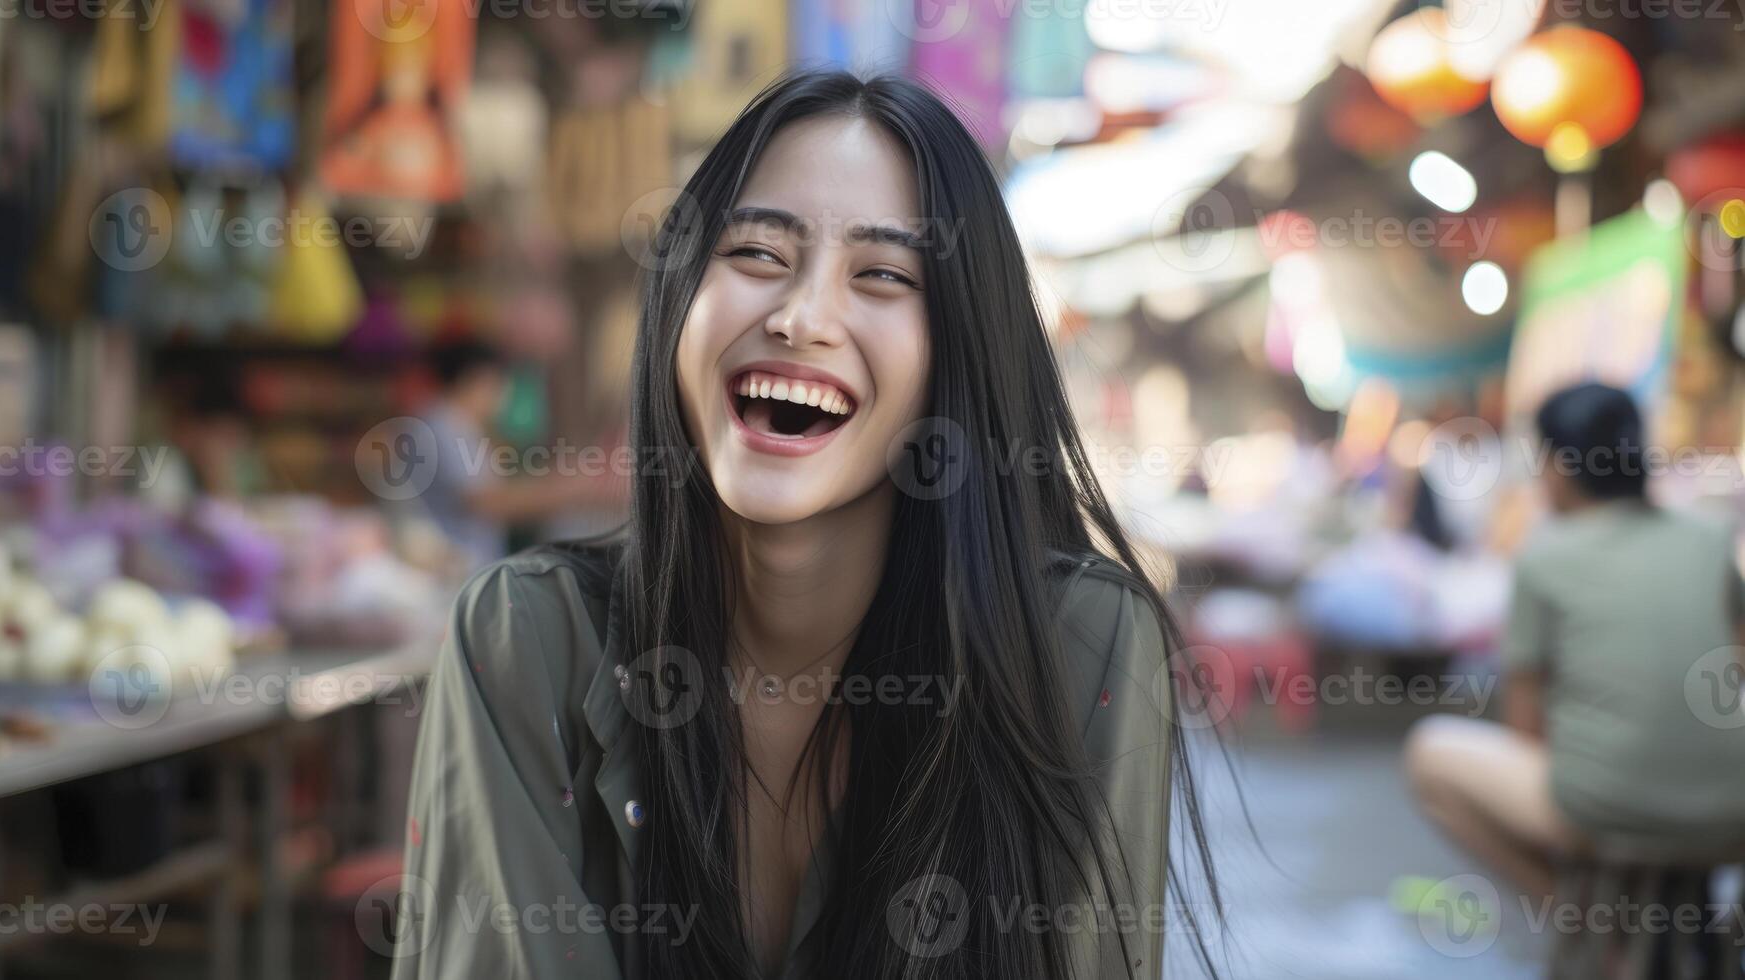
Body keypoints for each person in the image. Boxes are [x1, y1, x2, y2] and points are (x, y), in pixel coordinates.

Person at [391, 71, 1216, 980]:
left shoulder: (1078, 648)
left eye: (884, 275)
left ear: (960, 353)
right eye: (755, 255)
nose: (800, 317)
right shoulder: (528, 638)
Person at [1406, 381, 1745, 899]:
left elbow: (1526, 733)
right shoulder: (1712, 537)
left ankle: (1576, 912)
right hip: (1731, 812)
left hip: (1602, 815)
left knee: (1428, 754)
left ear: (1560, 467)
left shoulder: (1544, 557)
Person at [410, 338, 622, 570]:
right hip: (451, 569)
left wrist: (566, 478)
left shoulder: (459, 427)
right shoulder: (443, 427)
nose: (503, 394)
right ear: (474, 380)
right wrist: (573, 489)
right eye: (498, 384)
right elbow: (485, 501)